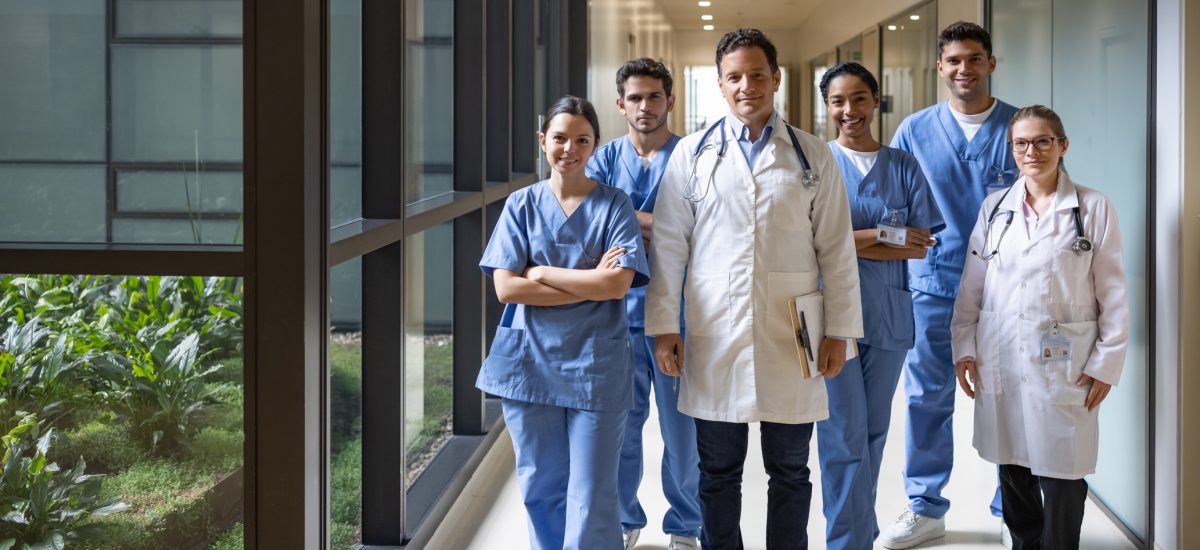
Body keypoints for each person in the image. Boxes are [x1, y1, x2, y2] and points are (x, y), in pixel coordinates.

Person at [645, 28, 863, 550]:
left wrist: (840, 332)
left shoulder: (811, 156)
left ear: (776, 79)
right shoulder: (692, 155)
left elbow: (836, 251)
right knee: (718, 473)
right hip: (713, 330)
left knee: (790, 471)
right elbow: (670, 247)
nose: (747, 86)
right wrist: (662, 328)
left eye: (757, 74)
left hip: (794, 334)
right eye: (735, 77)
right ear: (720, 85)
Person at [951, 105, 1129, 550]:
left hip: (1067, 366)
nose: (1032, 151)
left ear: (1062, 145)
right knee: (1012, 468)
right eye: (1022, 143)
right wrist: (964, 347)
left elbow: (1114, 294)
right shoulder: (995, 209)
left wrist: (1107, 363)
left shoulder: (1091, 208)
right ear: (1012, 150)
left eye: (1043, 141)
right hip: (1003, 356)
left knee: (1065, 474)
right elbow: (973, 286)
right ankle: (1026, 544)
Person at [476, 95, 650, 550]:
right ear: (542, 142)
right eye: (559, 138)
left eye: (582, 139)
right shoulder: (522, 205)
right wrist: (589, 277)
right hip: (530, 364)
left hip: (597, 367)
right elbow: (506, 289)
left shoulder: (616, 206)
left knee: (593, 494)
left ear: (595, 146)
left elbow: (616, 287)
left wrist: (542, 271)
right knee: (540, 486)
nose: (569, 148)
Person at [882, 21, 1019, 549]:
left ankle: (1014, 506)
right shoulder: (915, 130)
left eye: (974, 58)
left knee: (1008, 396)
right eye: (954, 61)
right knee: (925, 398)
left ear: (990, 64)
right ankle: (925, 506)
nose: (965, 69)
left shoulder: (1018, 127)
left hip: (1006, 290)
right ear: (940, 68)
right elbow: (890, 206)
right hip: (932, 285)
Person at [815, 62, 945, 550]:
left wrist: (846, 240)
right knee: (841, 437)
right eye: (838, 101)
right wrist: (883, 235)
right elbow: (810, 244)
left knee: (871, 435)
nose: (850, 111)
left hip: (888, 316)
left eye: (859, 99)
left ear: (876, 100)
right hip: (830, 319)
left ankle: (858, 535)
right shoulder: (817, 165)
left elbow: (920, 244)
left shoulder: (904, 166)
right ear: (828, 106)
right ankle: (846, 541)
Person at [585, 58, 702, 550]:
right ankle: (626, 520)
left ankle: (685, 526)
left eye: (655, 96)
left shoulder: (694, 155)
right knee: (622, 426)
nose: (645, 106)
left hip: (681, 312)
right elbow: (591, 230)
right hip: (619, 315)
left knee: (683, 432)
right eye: (635, 98)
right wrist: (662, 226)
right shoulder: (604, 158)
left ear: (670, 100)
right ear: (620, 104)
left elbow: (703, 228)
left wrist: (628, 221)